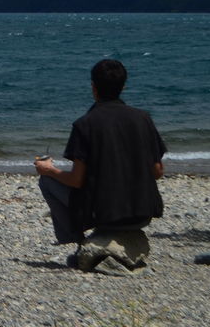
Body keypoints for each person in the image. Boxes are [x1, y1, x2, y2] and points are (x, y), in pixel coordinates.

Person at [35, 59, 166, 259]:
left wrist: (49, 169)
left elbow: (76, 180)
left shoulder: (85, 124)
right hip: (143, 212)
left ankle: (80, 244)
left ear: (93, 88)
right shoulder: (143, 118)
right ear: (123, 86)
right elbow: (157, 172)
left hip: (105, 216)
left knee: (47, 181)